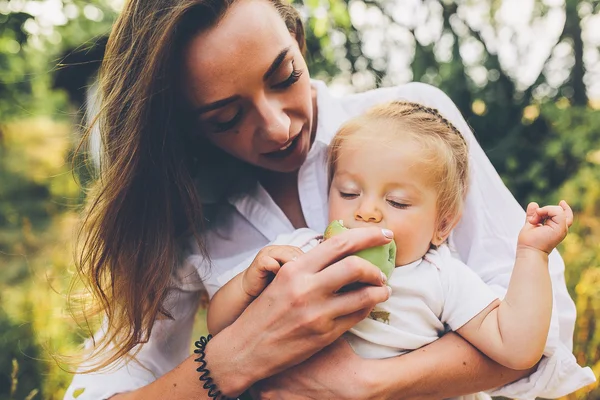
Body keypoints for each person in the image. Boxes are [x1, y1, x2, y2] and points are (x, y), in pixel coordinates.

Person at [63, 0, 594, 399]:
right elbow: (105, 388)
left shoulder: (412, 126)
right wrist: (228, 359)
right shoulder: (187, 218)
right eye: (226, 117)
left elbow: (538, 337)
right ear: (184, 126)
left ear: (297, 38)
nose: (276, 127)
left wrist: (368, 382)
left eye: (285, 76)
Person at [206, 101, 594, 400]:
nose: (367, 210)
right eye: (349, 193)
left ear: (442, 225)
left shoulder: (441, 277)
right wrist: (246, 284)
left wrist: (532, 254)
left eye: (398, 201)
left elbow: (518, 347)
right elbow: (221, 328)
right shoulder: (300, 252)